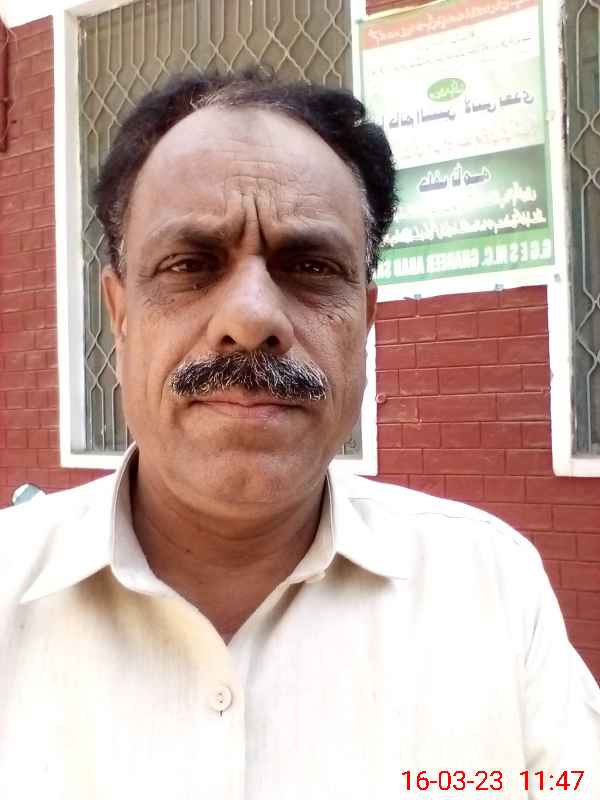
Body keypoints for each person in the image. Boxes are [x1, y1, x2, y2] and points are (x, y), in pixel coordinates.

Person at [0, 70, 598, 799]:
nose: (252, 318)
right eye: (190, 265)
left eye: (311, 267)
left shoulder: (490, 588)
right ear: (120, 314)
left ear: (366, 320)